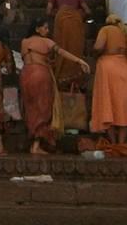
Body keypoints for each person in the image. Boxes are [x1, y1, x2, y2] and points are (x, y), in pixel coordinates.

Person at [20, 17, 90, 155]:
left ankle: (36, 142)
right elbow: (62, 52)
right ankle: (36, 145)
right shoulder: (47, 42)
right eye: (45, 27)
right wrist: (79, 61)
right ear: (37, 29)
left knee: (30, 108)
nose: (48, 30)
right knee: (43, 109)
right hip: (40, 74)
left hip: (26, 74)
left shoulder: (24, 42)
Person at [91, 14, 127, 145]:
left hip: (108, 68)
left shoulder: (106, 30)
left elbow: (98, 47)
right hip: (126, 68)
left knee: (108, 104)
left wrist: (94, 54)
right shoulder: (126, 31)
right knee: (125, 107)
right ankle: (121, 143)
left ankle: (113, 142)